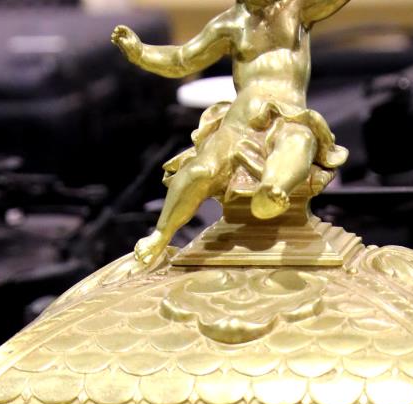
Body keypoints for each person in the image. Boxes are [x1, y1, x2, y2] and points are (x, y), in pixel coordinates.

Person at [112, 0, 352, 267]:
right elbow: (181, 60)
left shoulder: (295, 10)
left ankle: (273, 190)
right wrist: (141, 53)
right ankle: (160, 234)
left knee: (298, 142)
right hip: (238, 122)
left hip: (289, 116)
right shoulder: (229, 24)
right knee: (201, 170)